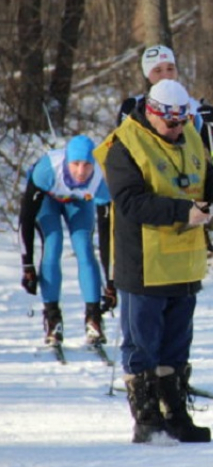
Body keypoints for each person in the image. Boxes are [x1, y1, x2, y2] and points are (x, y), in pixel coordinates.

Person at [95, 79, 213, 445]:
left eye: (181, 122)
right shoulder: (123, 145)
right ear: (152, 112)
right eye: (170, 124)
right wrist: (183, 211)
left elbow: (208, 174)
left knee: (177, 344)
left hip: (184, 262)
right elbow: (130, 202)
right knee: (142, 343)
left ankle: (176, 413)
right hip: (144, 262)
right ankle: (147, 418)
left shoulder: (190, 134)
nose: (177, 130)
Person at [18, 136, 114, 347]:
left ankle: (93, 317)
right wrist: (28, 265)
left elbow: (109, 236)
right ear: (66, 161)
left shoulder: (101, 179)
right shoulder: (46, 170)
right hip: (48, 200)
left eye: (87, 164)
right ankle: (53, 318)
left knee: (84, 248)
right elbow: (25, 220)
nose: (81, 171)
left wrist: (111, 281)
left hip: (79, 202)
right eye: (75, 164)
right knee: (53, 243)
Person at [117, 44, 213, 166]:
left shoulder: (194, 108)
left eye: (170, 68)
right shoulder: (133, 105)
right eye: (158, 70)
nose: (165, 75)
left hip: (189, 174)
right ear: (148, 74)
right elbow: (121, 151)